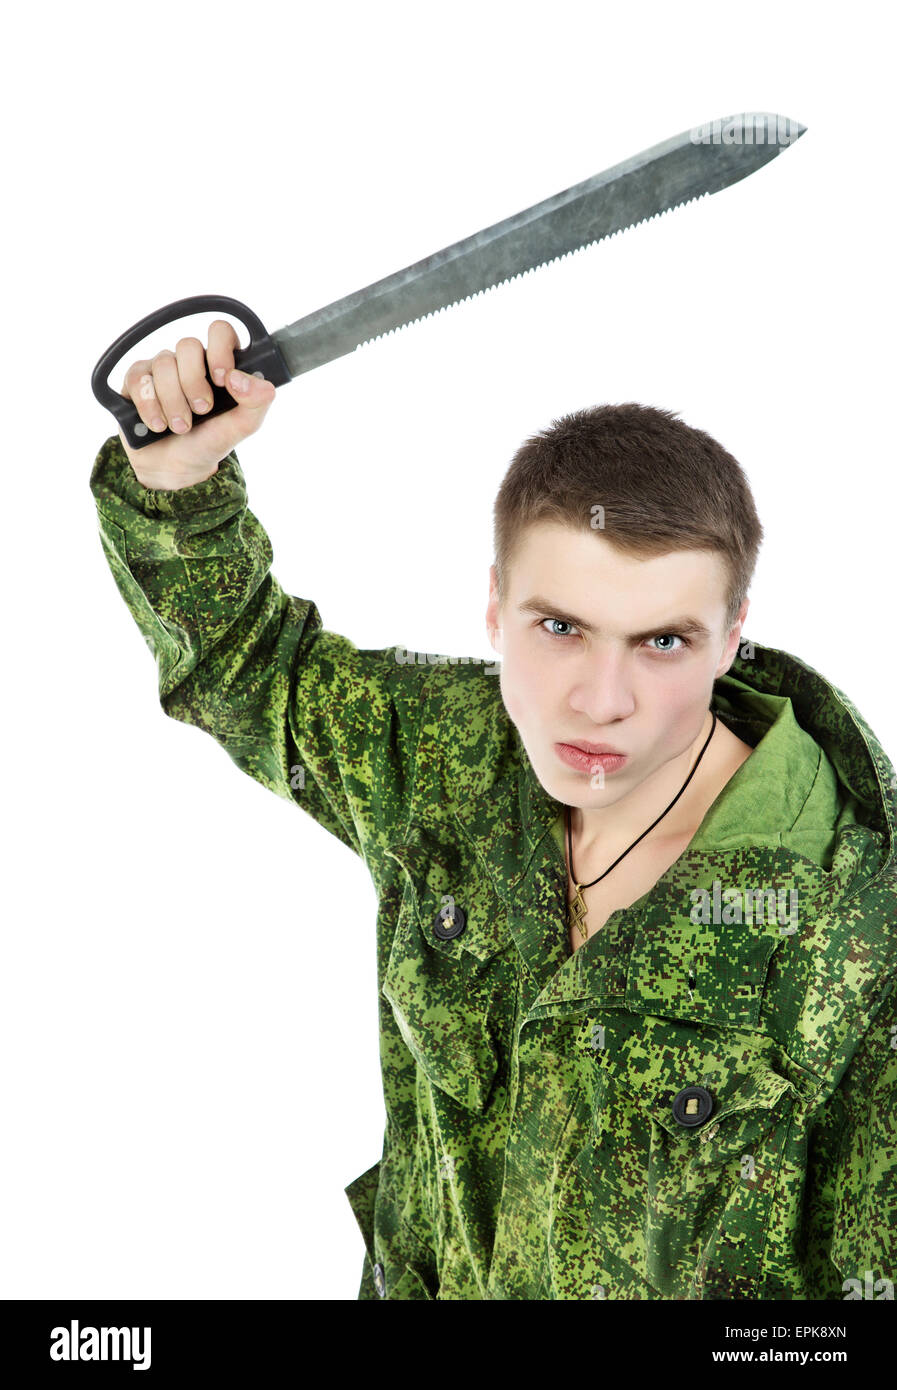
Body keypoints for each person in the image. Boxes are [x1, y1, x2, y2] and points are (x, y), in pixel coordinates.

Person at [89, 319, 897, 1300]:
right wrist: (180, 480)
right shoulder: (445, 755)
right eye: (560, 627)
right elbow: (250, 664)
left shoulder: (852, 920)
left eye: (663, 642)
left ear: (733, 640)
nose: (602, 698)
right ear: (494, 608)